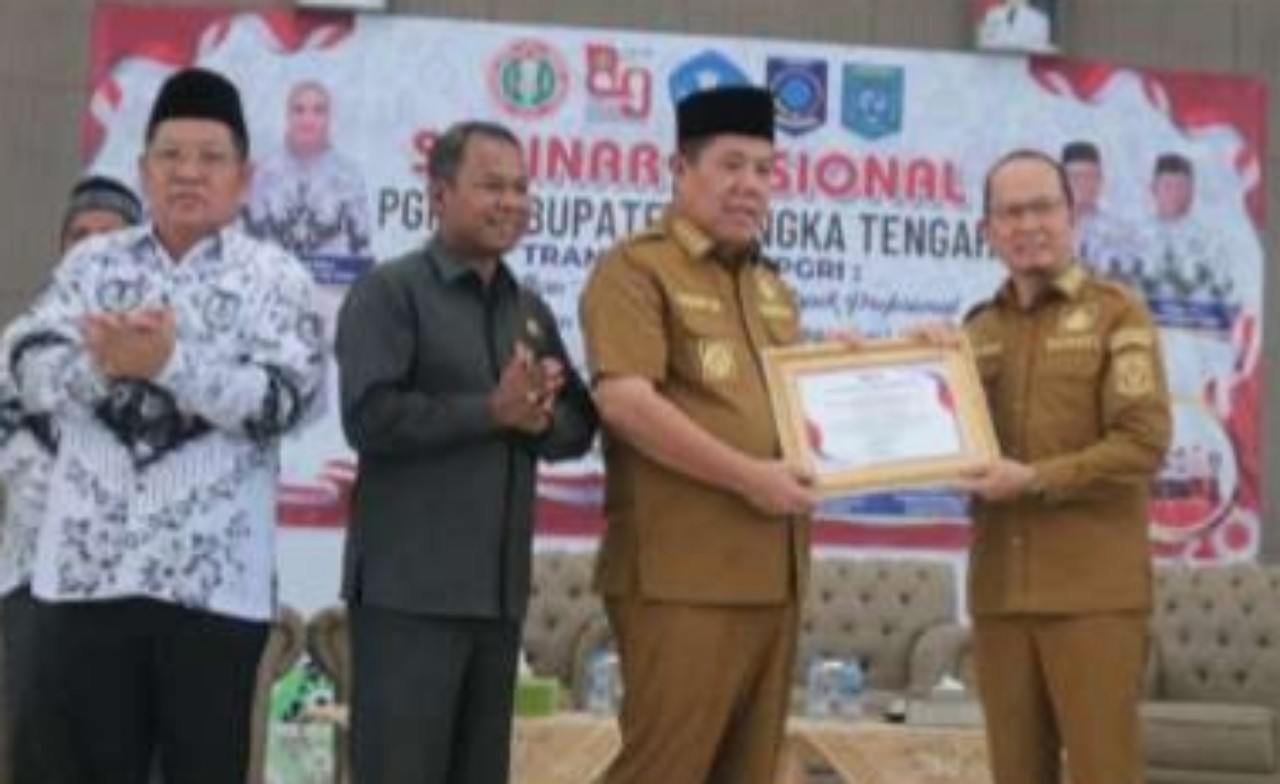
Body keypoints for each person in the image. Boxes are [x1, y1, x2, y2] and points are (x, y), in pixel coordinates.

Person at [2, 67, 327, 784]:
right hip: (86, 583)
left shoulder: (278, 279)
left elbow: (286, 399)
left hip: (212, 590)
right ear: (145, 170)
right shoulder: (93, 264)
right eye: (171, 156)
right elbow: (24, 365)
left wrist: (170, 364)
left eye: (211, 158)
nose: (188, 173)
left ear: (244, 177)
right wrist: (104, 366)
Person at [335, 120, 596, 784]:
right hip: (408, 598)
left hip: (498, 598)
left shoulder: (528, 309)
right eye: (491, 186)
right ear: (440, 194)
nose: (511, 202)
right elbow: (369, 417)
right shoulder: (389, 292)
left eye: (520, 187)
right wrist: (490, 411)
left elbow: (577, 427)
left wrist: (536, 416)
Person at [579, 85, 818, 784]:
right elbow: (625, 401)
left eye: (765, 170)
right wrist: (750, 478)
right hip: (682, 576)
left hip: (774, 576)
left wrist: (896, 364)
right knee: (663, 770)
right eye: (731, 165)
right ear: (680, 170)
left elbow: (797, 402)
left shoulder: (769, 286)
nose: (751, 185)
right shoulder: (636, 269)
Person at [960, 149, 1172, 784]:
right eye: (1011, 212)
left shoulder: (1118, 313)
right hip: (1001, 593)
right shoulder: (974, 331)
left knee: (1104, 772)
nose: (1029, 224)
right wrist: (909, 371)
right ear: (987, 230)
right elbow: (944, 438)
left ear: (1072, 215)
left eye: (1043, 207)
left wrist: (1035, 479)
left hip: (1092, 597)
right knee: (1015, 774)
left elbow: (1143, 444)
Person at [0, 174, 143, 781]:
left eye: (109, 236)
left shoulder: (169, 349)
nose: (91, 248)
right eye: (78, 236)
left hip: (138, 589)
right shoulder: (19, 343)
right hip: (36, 581)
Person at [243, 79, 372, 282]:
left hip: (334, 289)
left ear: (329, 119)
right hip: (271, 287)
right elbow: (247, 245)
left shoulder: (349, 177)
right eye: (299, 110)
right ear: (287, 116)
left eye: (318, 111)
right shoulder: (263, 174)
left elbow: (361, 249)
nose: (308, 119)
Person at [1059, 141, 1145, 280]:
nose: (1083, 184)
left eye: (1090, 177)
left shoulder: (1121, 233)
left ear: (1101, 181)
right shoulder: (1046, 229)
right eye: (1076, 176)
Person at [977, 0, 1053, 53]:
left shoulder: (1039, 18)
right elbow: (984, 41)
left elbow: (1039, 47)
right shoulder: (993, 14)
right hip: (997, 63)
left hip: (1023, 66)